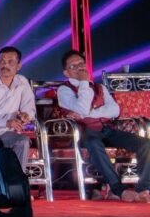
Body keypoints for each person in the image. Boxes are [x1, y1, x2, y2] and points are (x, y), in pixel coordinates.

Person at [57, 49, 150, 203]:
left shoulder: (100, 87)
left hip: (107, 129)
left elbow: (115, 110)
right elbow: (82, 108)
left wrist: (89, 113)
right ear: (66, 73)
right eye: (74, 66)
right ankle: (120, 190)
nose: (79, 68)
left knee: (146, 144)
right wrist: (84, 83)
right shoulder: (64, 90)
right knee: (93, 143)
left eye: (81, 64)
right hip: (84, 132)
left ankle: (144, 190)